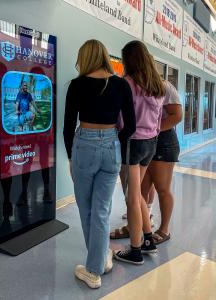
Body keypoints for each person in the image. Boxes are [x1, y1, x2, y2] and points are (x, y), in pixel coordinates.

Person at [63, 39, 136, 289]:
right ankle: (102, 259)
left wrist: (71, 157)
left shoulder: (76, 85)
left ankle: (93, 271)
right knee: (102, 210)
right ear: (105, 56)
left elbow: (67, 127)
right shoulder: (120, 85)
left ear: (85, 58)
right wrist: (116, 140)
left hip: (84, 145)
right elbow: (132, 126)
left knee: (86, 209)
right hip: (111, 148)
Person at [111, 41, 165, 265]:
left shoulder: (127, 84)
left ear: (129, 60)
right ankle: (148, 240)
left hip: (133, 143)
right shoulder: (158, 86)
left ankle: (135, 250)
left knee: (131, 198)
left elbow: (119, 118)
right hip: (151, 142)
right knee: (138, 195)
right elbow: (160, 119)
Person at [141, 80, 182, 244]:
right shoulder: (135, 85)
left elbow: (177, 115)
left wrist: (155, 129)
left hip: (163, 141)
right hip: (144, 139)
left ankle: (164, 230)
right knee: (140, 191)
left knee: (162, 189)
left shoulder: (163, 86)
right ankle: (137, 225)